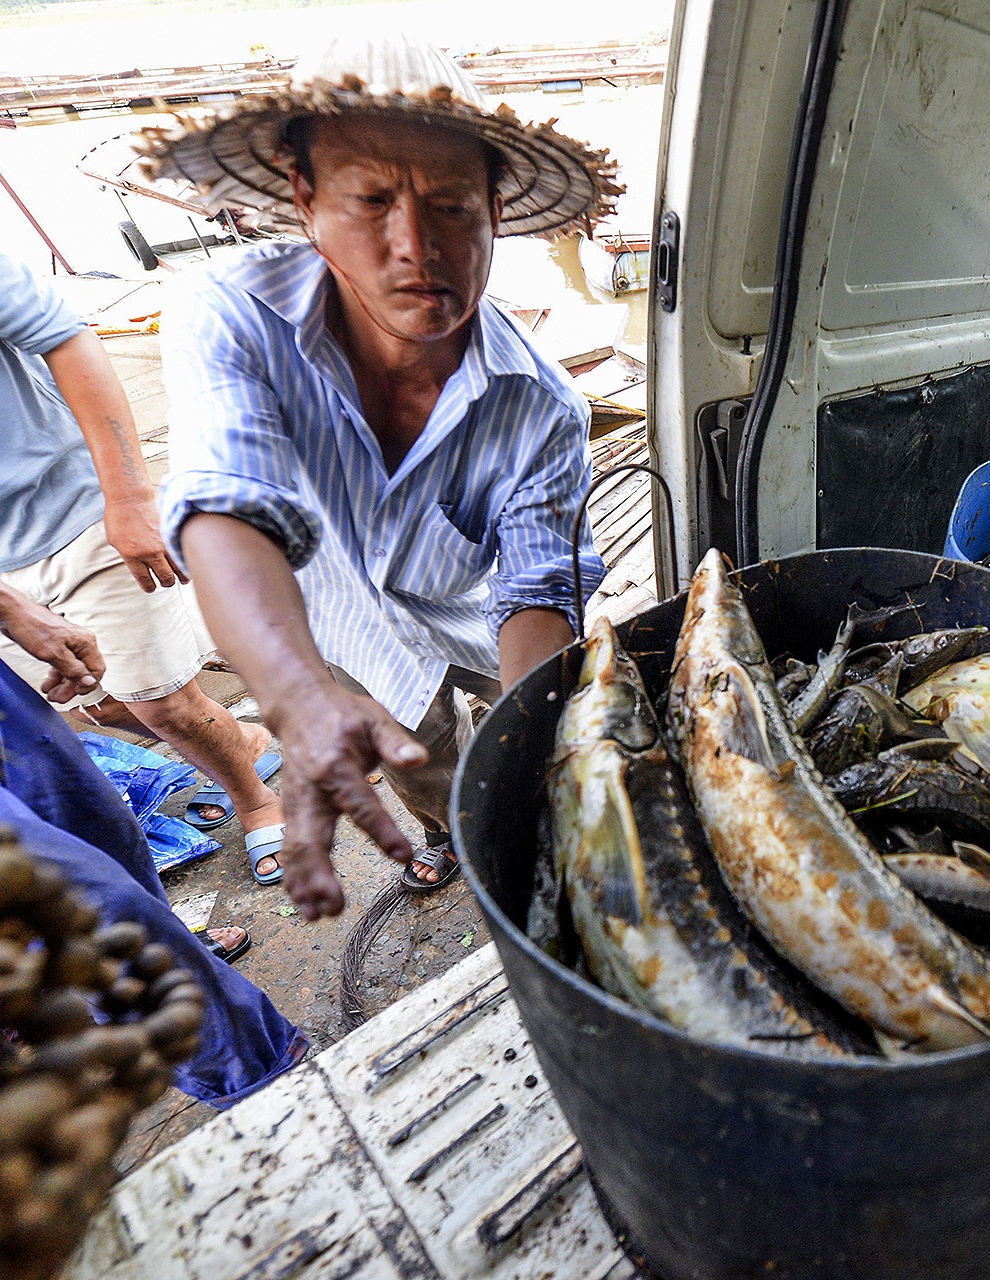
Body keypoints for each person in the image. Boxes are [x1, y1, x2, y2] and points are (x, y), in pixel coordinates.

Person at [144, 34, 621, 918]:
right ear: (305, 200)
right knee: (418, 756)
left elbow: (537, 586)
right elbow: (227, 506)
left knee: (528, 749)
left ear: (495, 209)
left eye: (450, 207)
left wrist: (540, 754)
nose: (415, 246)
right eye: (371, 201)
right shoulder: (233, 314)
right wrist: (295, 693)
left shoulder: (543, 405)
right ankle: (448, 837)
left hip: (476, 621)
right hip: (336, 625)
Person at [0, 172, 286, 876]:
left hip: (75, 508)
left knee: (164, 703)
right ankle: (248, 741)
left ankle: (257, 798)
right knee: (92, 707)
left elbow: (63, 332)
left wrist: (131, 497)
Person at [0, 547, 303, 1106]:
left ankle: (175, 954)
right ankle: (266, 1084)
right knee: (81, 908)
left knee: (95, 826)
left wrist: (2, 603)